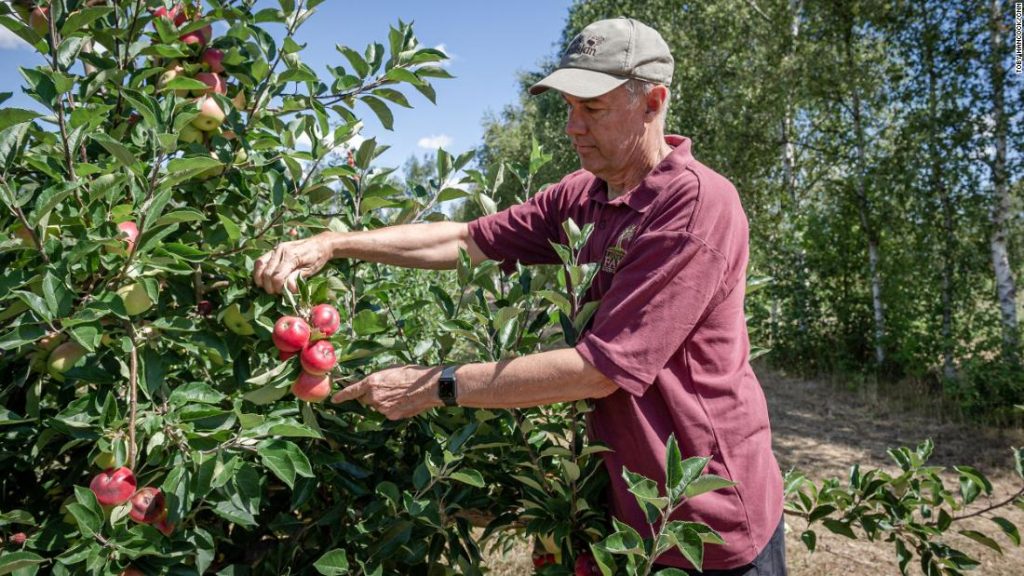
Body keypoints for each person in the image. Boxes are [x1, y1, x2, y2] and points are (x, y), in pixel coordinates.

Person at [252, 17, 785, 575]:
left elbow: (601, 369)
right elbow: (465, 238)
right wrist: (333, 244)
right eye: (568, 108)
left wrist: (437, 384)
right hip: (624, 514)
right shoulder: (582, 196)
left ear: (652, 102)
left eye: (593, 109)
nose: (572, 126)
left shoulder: (696, 207)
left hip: (703, 518)